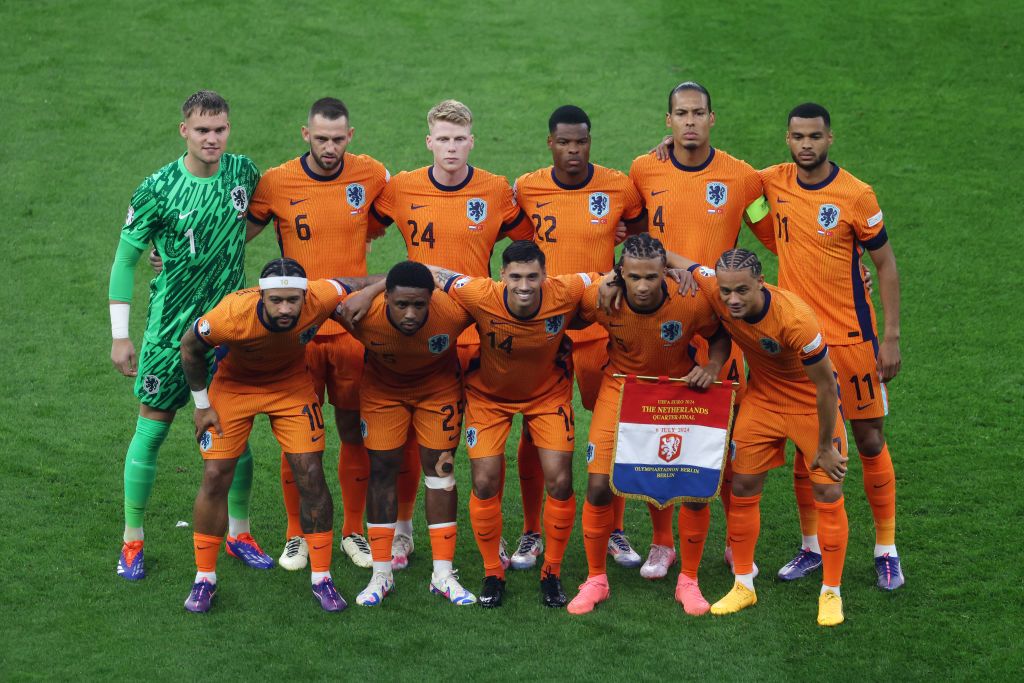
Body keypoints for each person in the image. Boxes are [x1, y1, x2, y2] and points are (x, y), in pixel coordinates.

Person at [108, 90, 267, 580]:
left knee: (234, 434)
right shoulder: (157, 187)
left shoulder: (243, 173)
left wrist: (190, 250)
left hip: (228, 331)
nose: (212, 138)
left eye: (220, 129)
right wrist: (120, 336)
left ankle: (239, 533)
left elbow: (248, 223)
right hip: (167, 331)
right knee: (152, 428)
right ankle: (132, 541)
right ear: (185, 131)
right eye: (202, 130)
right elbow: (125, 260)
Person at [368, 99, 533, 569]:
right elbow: (362, 228)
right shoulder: (400, 188)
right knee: (405, 437)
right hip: (417, 331)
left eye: (459, 139)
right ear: (428, 142)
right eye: (442, 139)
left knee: (486, 441)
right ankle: (402, 533)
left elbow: (528, 239)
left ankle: (491, 531)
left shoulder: (496, 190)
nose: (451, 148)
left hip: (480, 332)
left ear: (472, 141)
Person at [753, 103, 904, 590]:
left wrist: (891, 338)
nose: (806, 145)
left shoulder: (856, 195)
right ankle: (811, 547)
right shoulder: (773, 181)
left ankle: (886, 549)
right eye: (797, 136)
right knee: (807, 450)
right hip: (797, 342)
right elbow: (739, 194)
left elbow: (885, 265)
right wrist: (670, 149)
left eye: (814, 136)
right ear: (787, 138)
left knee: (868, 441)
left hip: (853, 341)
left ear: (829, 138)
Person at [628, 81, 774, 579]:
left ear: (713, 118)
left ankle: (736, 541)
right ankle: (663, 543)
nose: (689, 121)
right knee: (661, 433)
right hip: (663, 322)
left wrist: (851, 264)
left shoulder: (744, 179)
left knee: (726, 437)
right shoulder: (644, 169)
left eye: (698, 113)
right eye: (680, 114)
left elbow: (774, 231)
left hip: (722, 322)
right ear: (667, 121)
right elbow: (631, 234)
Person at [179, 258, 379, 613]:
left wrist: (387, 287)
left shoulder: (321, 296)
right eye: (276, 301)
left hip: (290, 386)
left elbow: (369, 279)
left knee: (311, 474)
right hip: (235, 387)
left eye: (293, 300)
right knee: (214, 476)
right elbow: (190, 346)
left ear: (305, 295)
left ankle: (322, 577)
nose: (286, 308)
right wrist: (201, 404)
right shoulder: (231, 314)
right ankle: (204, 578)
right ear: (262, 295)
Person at [668, 249, 850, 626]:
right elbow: (668, 255)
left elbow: (827, 387)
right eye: (726, 291)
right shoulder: (714, 287)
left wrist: (823, 447)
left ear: (761, 282)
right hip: (763, 402)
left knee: (828, 491)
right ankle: (743, 584)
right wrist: (619, 277)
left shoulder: (796, 320)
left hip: (810, 405)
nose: (732, 300)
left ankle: (831, 592)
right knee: (743, 487)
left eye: (742, 291)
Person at [246, 97, 389, 571]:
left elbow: (386, 223)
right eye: (321, 138)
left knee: (352, 430)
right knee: (296, 437)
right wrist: (172, 253)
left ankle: (352, 531)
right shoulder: (276, 181)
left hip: (351, 330)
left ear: (351, 136)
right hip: (297, 331)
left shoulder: (370, 175)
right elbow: (234, 236)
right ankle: (297, 534)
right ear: (304, 134)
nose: (330, 147)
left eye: (338, 138)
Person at [508, 105, 647, 571]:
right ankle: (531, 530)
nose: (573, 150)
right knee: (535, 428)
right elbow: (517, 244)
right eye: (564, 142)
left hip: (603, 330)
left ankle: (614, 529)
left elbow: (642, 240)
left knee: (618, 432)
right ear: (550, 143)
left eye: (581, 142)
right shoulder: (527, 188)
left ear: (590, 142)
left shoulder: (618, 187)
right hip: (545, 331)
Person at [427, 241, 602, 608]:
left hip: (547, 395)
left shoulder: (566, 289)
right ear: (502, 275)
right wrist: (373, 290)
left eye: (533, 276)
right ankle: (493, 572)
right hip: (489, 398)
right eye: (516, 277)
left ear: (545, 275)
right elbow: (432, 272)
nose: (525, 286)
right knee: (485, 480)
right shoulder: (478, 292)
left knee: (560, 479)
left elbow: (604, 278)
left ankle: (551, 573)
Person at [566, 234, 730, 616]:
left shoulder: (690, 300)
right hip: (620, 390)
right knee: (598, 485)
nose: (642, 286)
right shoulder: (603, 296)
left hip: (677, 394)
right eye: (634, 277)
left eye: (651, 278)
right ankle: (595, 580)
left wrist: (711, 367)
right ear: (621, 273)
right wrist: (601, 282)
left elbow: (720, 334)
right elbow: (569, 314)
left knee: (689, 486)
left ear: (666, 273)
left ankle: (688, 580)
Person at [339, 261, 477, 607]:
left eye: (419, 304)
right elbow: (315, 293)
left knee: (441, 473)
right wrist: (367, 291)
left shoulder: (455, 311)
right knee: (382, 470)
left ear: (433, 298)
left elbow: (501, 298)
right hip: (382, 393)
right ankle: (381, 575)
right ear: (385, 299)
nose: (411, 313)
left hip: (439, 390)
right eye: (401, 304)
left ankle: (443, 574)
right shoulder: (359, 313)